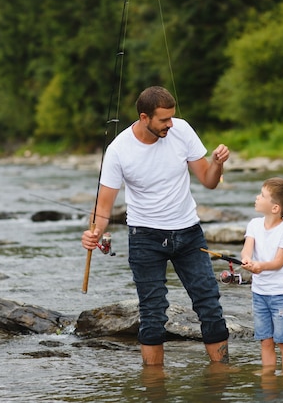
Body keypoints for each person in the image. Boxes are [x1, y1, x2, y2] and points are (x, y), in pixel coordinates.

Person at [81, 86, 230, 366]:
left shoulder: (182, 130)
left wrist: (217, 164)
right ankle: (154, 385)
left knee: (209, 304)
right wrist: (94, 234)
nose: (170, 124)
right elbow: (103, 208)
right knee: (152, 313)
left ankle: (221, 376)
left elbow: (209, 182)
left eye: (172, 118)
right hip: (145, 238)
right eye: (164, 120)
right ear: (144, 117)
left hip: (189, 234)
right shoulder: (119, 150)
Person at [240, 177, 283, 368]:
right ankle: (268, 379)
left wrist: (260, 267)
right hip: (259, 294)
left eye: (262, 195)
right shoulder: (254, 224)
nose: (257, 197)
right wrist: (247, 259)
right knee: (265, 341)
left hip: (281, 294)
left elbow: (278, 262)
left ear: (275, 208)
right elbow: (247, 248)